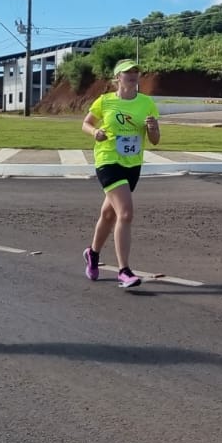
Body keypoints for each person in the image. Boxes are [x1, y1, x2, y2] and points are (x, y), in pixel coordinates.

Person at [81, 59, 160, 288]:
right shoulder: (105, 101)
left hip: (132, 164)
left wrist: (153, 129)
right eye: (127, 73)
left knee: (109, 215)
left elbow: (154, 140)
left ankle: (92, 254)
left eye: (136, 72)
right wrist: (95, 132)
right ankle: (124, 271)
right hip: (108, 160)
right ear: (118, 78)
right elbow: (85, 123)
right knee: (125, 213)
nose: (133, 76)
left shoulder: (146, 103)